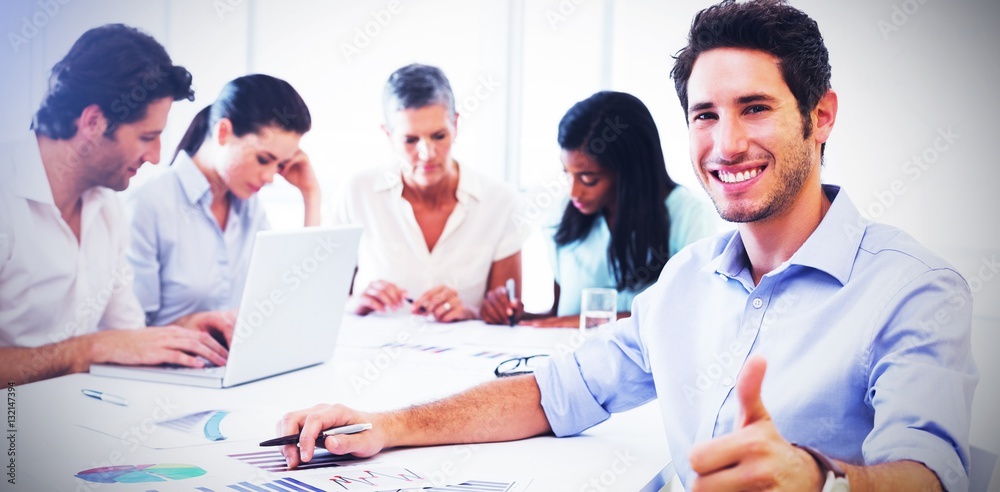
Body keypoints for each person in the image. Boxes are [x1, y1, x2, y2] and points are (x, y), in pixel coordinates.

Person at [278, 1, 977, 490]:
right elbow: (555, 393)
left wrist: (818, 481)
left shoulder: (913, 288)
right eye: (706, 115)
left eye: (755, 108)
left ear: (820, 115)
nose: (726, 143)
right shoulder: (684, 283)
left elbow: (930, 474)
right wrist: (386, 424)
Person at [0, 24, 232, 385]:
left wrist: (179, 332)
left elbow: (124, 337)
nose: (156, 157)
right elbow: (97, 347)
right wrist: (83, 351)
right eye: (147, 137)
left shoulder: (107, 207)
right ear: (93, 122)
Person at [482, 91, 721, 327]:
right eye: (567, 174)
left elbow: (690, 316)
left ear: (629, 172)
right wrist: (515, 317)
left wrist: (585, 322)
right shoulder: (563, 217)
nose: (573, 192)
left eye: (588, 178)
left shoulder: (690, 216)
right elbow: (558, 317)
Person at [331, 64, 522, 322]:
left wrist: (469, 312)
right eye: (410, 140)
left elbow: (506, 316)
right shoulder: (357, 192)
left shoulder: (500, 201)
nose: (427, 153)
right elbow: (325, 301)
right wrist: (355, 304)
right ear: (388, 135)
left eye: (439, 136)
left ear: (455, 124)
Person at [128, 74, 320, 329]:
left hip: (228, 364)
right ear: (223, 132)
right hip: (165, 366)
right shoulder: (149, 204)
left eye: (280, 164)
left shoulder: (249, 207)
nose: (270, 177)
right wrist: (190, 325)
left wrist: (311, 195)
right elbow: (125, 333)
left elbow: (291, 300)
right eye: (264, 159)